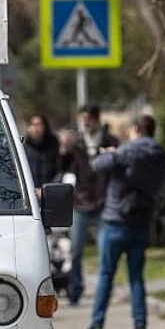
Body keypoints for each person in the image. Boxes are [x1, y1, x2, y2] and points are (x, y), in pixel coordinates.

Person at [83, 113, 165, 329]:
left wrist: (111, 153)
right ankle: (140, 324)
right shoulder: (159, 153)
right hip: (141, 220)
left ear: (136, 129)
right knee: (136, 277)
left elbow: (97, 165)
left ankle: (97, 324)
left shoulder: (128, 150)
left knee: (106, 274)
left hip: (115, 220)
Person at [57, 111, 109, 306]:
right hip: (80, 201)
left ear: (96, 119)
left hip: (102, 202)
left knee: (105, 250)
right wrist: (64, 148)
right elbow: (62, 167)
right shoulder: (77, 143)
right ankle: (75, 288)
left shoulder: (108, 139)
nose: (86, 123)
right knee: (76, 249)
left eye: (89, 119)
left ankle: (104, 291)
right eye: (83, 119)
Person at [24, 114, 61, 186]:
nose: (35, 128)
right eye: (33, 125)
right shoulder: (24, 147)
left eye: (38, 124)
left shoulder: (52, 146)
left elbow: (58, 171)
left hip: (49, 191)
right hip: (30, 191)